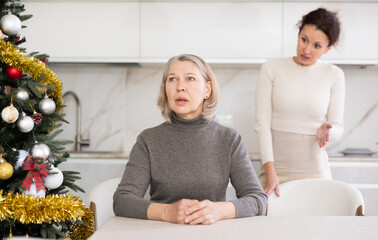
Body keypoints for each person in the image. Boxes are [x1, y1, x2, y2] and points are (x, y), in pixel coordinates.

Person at [114, 54, 267, 225]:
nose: (180, 87)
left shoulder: (229, 140)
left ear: (207, 89)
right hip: (159, 233)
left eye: (190, 79)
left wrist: (218, 210)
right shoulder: (148, 140)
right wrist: (167, 212)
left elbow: (258, 199)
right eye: (172, 79)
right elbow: (122, 200)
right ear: (165, 88)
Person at [255, 8, 345, 196]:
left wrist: (328, 131)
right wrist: (271, 171)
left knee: (316, 225)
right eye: (304, 40)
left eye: (317, 45)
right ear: (298, 35)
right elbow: (262, 124)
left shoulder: (334, 75)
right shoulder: (271, 68)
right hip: (274, 171)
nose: (306, 50)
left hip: (315, 173)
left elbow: (338, 127)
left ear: (328, 49)